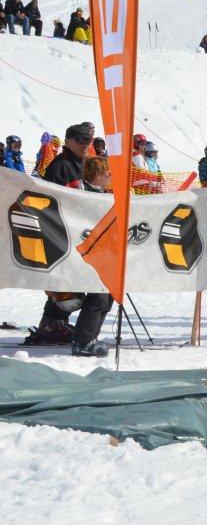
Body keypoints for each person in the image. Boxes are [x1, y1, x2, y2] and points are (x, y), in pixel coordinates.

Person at [23, 124, 113, 356]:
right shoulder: (60, 165)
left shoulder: (84, 164)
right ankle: (78, 337)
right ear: (68, 141)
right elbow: (48, 202)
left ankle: (52, 325)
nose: (85, 145)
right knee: (86, 287)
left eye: (88, 141)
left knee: (71, 287)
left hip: (82, 235)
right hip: (64, 234)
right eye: (80, 140)